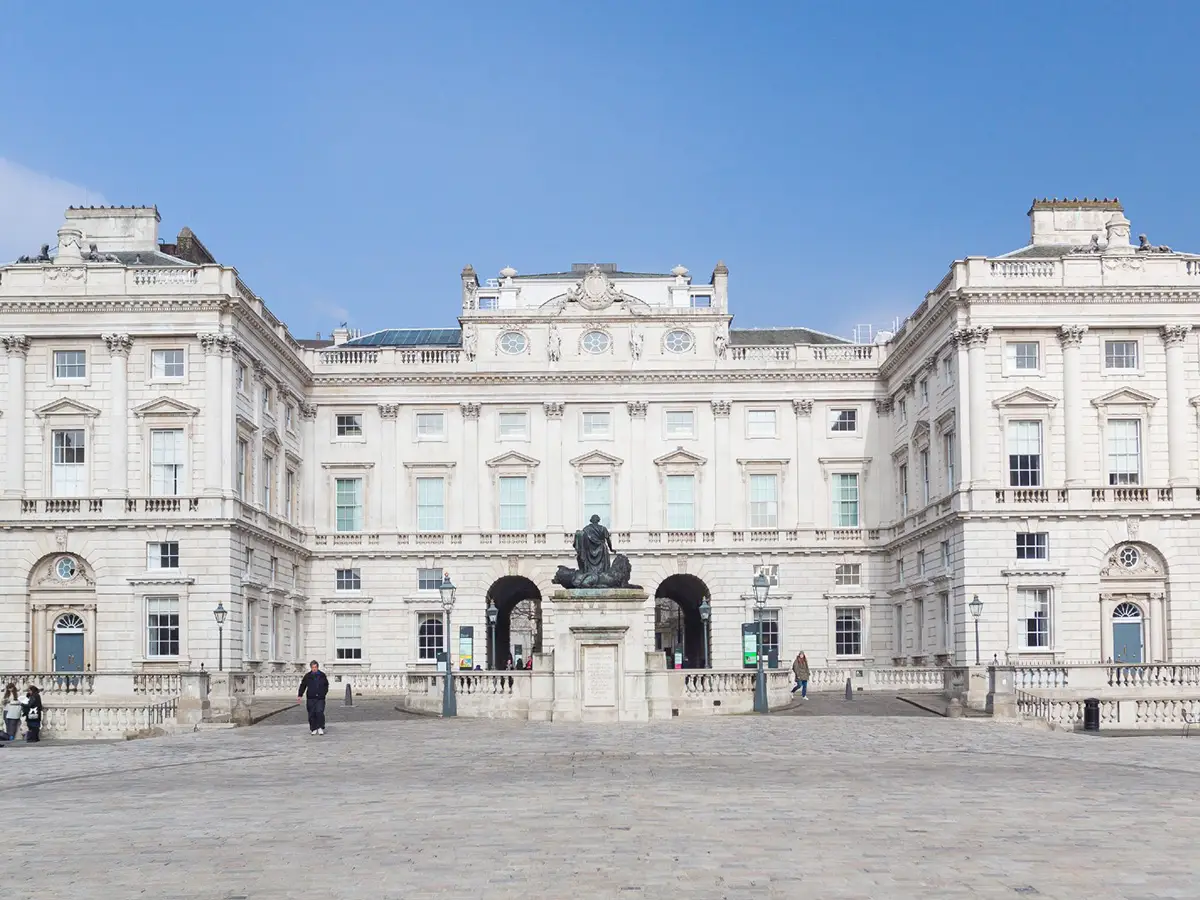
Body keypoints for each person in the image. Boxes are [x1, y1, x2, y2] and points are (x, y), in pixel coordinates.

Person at [296, 660, 330, 735]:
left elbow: (326, 685)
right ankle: (314, 728)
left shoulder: (322, 675)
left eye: (315, 667)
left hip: (320, 698)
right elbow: (303, 685)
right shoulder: (307, 676)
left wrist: (323, 693)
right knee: (311, 713)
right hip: (311, 698)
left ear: (317, 667)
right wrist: (300, 695)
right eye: (313, 667)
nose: (314, 669)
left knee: (319, 712)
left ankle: (320, 727)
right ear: (311, 668)